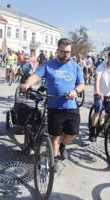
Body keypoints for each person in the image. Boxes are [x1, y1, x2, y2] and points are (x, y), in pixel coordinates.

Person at [21, 38, 85, 171]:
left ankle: (63, 146)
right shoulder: (48, 64)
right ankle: (54, 158)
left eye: (68, 52)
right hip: (54, 106)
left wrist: (75, 91)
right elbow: (36, 76)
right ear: (57, 51)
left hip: (71, 106)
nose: (66, 55)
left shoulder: (74, 66)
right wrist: (27, 84)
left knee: (72, 133)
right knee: (55, 135)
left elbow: (81, 84)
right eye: (63, 52)